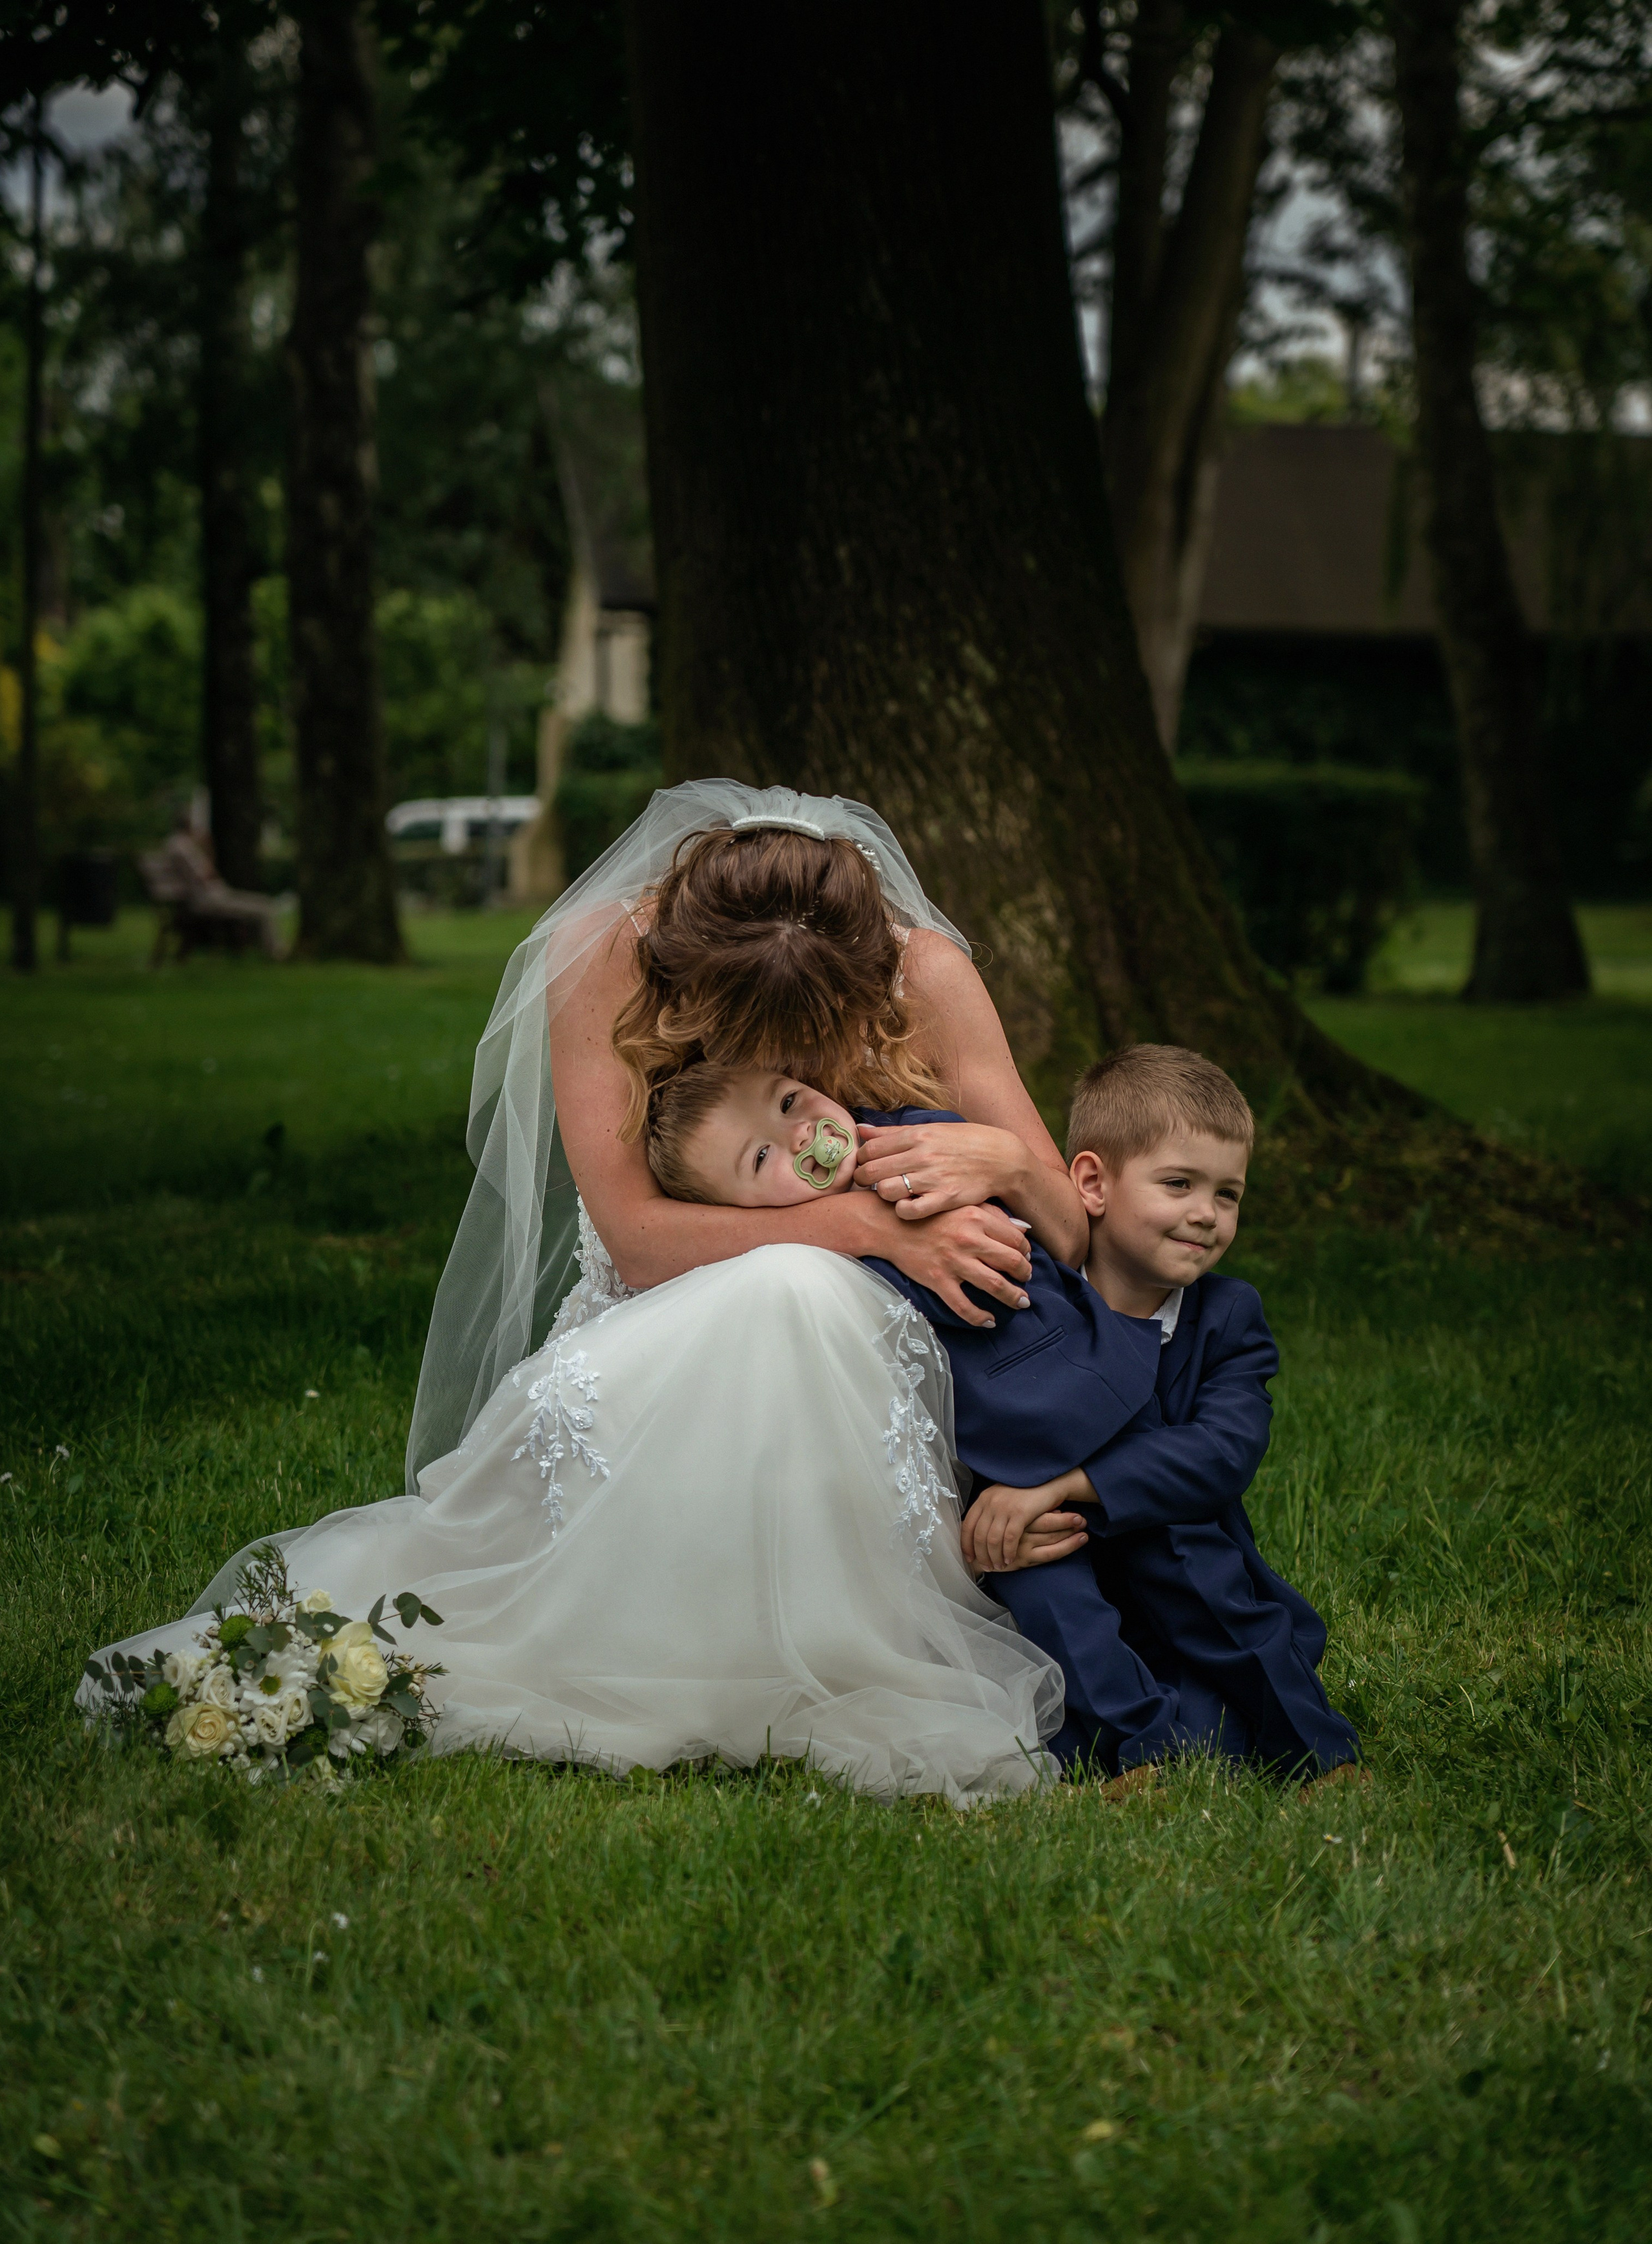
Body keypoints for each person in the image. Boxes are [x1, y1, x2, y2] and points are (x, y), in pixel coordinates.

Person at [79, 783, 1077, 1804]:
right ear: (685, 979)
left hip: (871, 1348)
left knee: (803, 1291)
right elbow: (639, 1239)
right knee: (788, 1281)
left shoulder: (928, 971)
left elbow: (1074, 1225)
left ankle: (832, 1633)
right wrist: (866, 1227)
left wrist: (997, 1153)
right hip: (665, 1318)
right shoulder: (600, 954)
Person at [644, 1044, 1361, 1784]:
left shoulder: (911, 1144)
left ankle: (1319, 1751)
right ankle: (1141, 1749)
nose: (800, 1136)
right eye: (763, 1156)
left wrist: (975, 1160)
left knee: (1201, 1589)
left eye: (791, 1101)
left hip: (1097, 1411)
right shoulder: (813, 1254)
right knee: (1054, 1605)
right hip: (1003, 1461)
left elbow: (1218, 1449)